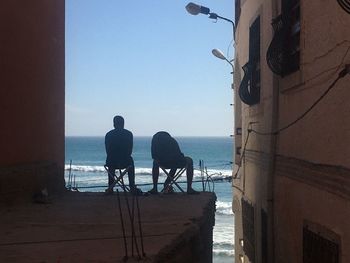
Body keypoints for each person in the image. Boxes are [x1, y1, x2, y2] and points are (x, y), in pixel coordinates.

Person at [105, 115, 138, 194]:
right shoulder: (129, 134)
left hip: (112, 162)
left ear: (114, 124)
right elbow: (130, 151)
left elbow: (108, 151)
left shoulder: (108, 134)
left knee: (110, 161)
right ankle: (132, 186)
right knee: (131, 161)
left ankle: (110, 186)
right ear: (123, 124)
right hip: (125, 162)